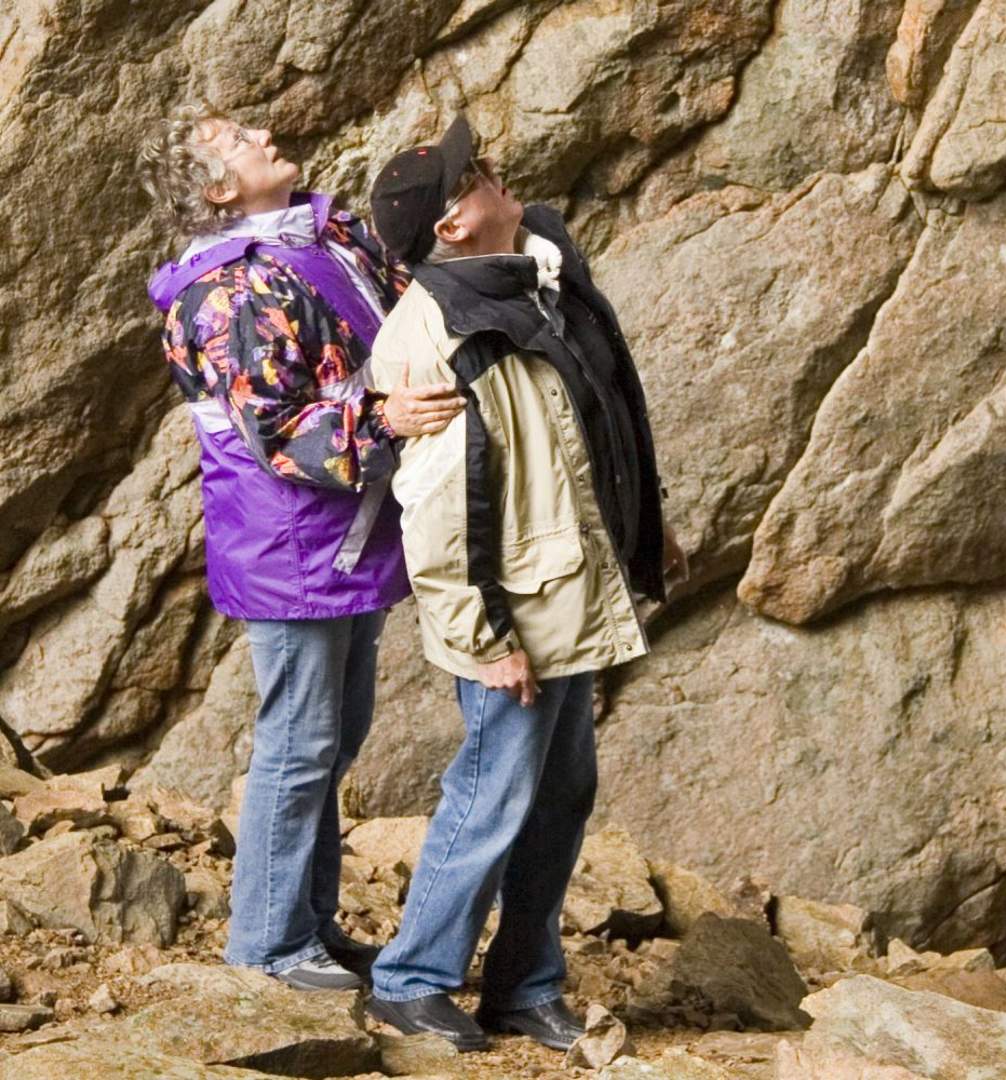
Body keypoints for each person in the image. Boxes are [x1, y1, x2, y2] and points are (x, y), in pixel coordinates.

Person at [361, 116, 686, 1052]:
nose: (495, 172)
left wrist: (647, 528)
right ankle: (411, 981)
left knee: (559, 795)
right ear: (451, 226)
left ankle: (524, 986)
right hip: (515, 615)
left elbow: (600, 414)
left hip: (569, 591)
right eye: (474, 174)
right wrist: (485, 638)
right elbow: (438, 509)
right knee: (492, 792)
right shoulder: (435, 335)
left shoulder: (539, 274)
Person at [139, 107, 464, 991]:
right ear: (216, 190)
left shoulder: (320, 237)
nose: (261, 135)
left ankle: (307, 925)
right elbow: (279, 428)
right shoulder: (229, 292)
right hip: (292, 545)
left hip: (341, 532)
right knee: (299, 742)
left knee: (333, 737)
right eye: (235, 142)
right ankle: (267, 949)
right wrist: (387, 420)